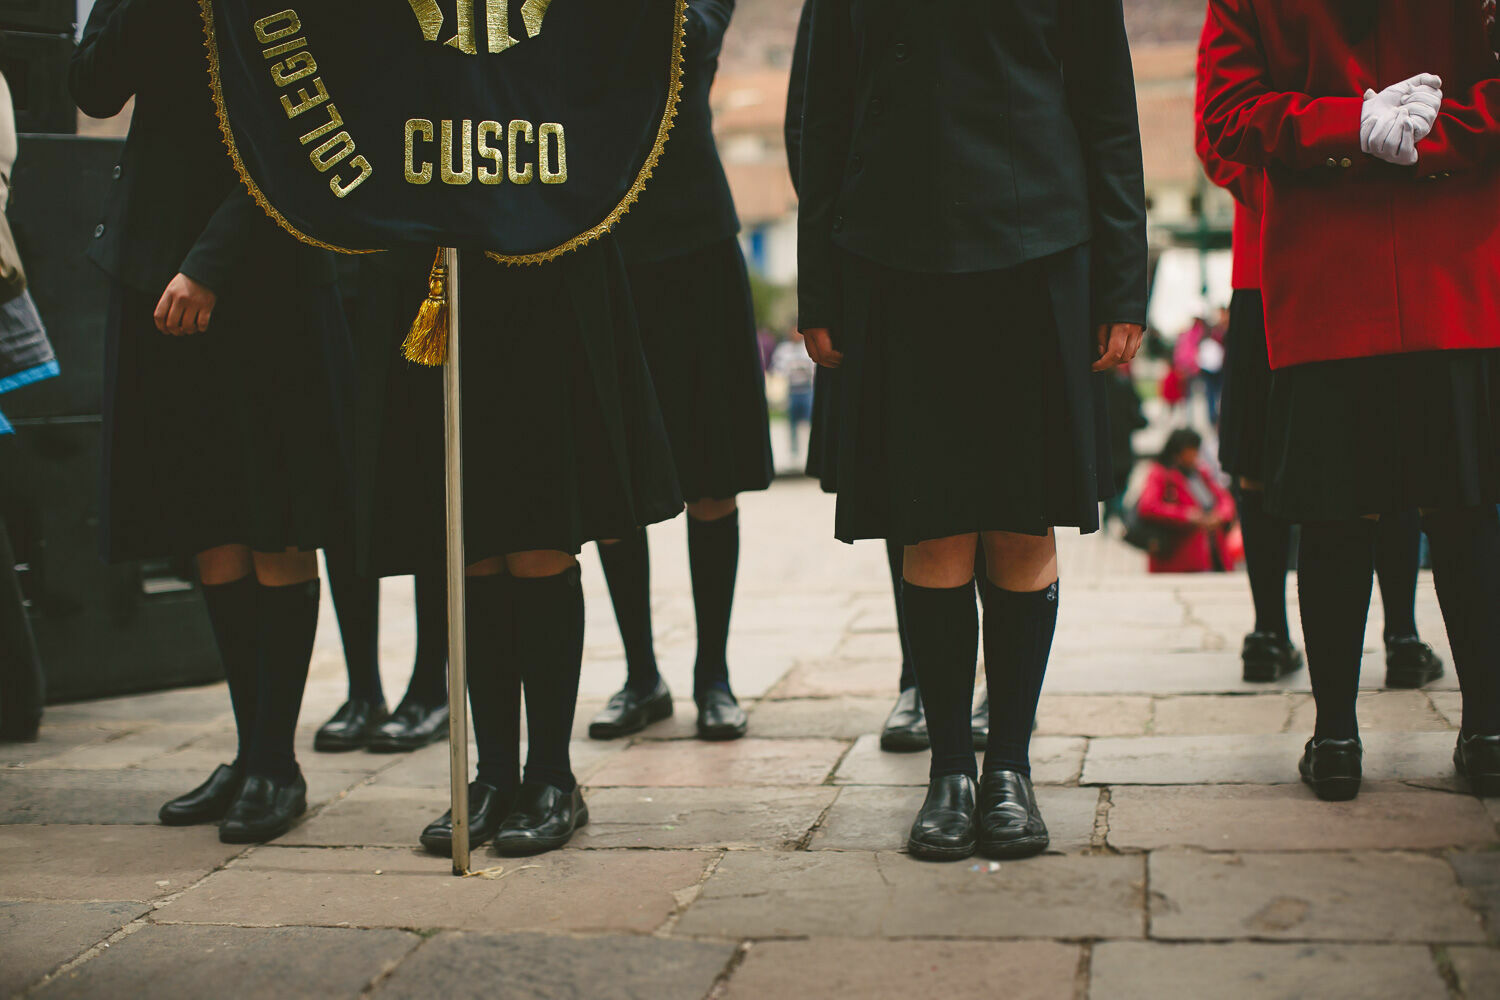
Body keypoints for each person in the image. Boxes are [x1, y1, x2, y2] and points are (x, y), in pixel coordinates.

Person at [798, 0, 1146, 860]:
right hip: (896, 254)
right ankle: (950, 772)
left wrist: (1121, 286)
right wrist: (819, 284)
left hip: (1041, 252)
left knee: (1025, 522)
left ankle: (1011, 773)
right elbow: (823, 113)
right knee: (934, 524)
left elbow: (1107, 109)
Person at [1202, 0, 1500, 801]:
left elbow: (1227, 121)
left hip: (1332, 280)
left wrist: (1346, 130)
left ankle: (1337, 738)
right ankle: (1487, 731)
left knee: (1337, 521)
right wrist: (1418, 134)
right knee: (1467, 511)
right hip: (1456, 276)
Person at [71, 0, 348, 842]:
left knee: (274, 515)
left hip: (264, 267)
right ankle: (249, 749)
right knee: (207, 518)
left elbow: (312, 130)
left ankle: (277, 760)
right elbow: (92, 88)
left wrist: (214, 263)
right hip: (152, 257)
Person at [1193, 15, 1443, 687]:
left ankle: (1401, 630)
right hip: (1271, 259)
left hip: (1376, 250)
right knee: (1253, 457)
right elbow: (1216, 137)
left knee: (1393, 450)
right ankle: (1268, 628)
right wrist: (1297, 190)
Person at [785, 0, 990, 757]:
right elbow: (814, 121)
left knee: (1003, 493)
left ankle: (995, 678)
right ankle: (919, 674)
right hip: (876, 255)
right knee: (909, 494)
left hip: (1002, 242)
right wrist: (824, 282)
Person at [586, 0, 773, 745]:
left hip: (696, 240)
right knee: (614, 476)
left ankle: (713, 676)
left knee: (711, 473)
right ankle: (641, 675)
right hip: (603, 242)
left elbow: (690, 41)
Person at [1137, 429, 1237, 574]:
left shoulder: (1200, 473)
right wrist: (1186, 515)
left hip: (1210, 555)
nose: (1195, 456)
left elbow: (1224, 498)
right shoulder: (1160, 474)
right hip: (1177, 558)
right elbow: (1147, 506)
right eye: (1191, 451)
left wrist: (1220, 515)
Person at [772, 331, 816, 462]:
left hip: (807, 390)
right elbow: (778, 369)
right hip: (792, 391)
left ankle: (810, 451)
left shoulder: (807, 347)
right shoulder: (784, 350)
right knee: (792, 423)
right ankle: (794, 452)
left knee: (809, 422)